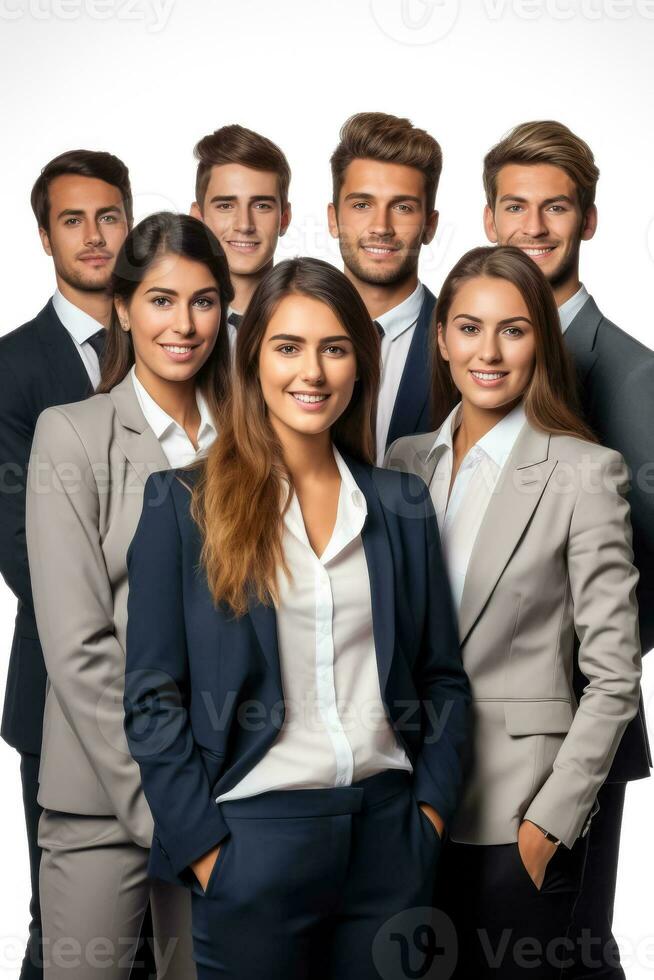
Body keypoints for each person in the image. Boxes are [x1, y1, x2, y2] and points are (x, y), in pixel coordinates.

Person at [123, 256, 471, 980]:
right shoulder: (180, 506)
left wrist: (428, 818)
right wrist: (209, 853)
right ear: (252, 362)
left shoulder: (402, 506)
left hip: (388, 838)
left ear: (358, 365)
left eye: (334, 348)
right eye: (288, 347)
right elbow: (152, 698)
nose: (311, 371)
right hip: (254, 842)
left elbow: (441, 678)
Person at [385, 245, 642, 980]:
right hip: (408, 813)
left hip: (517, 815)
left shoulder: (583, 472)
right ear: (441, 338)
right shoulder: (402, 464)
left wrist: (548, 823)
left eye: (514, 330)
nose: (488, 352)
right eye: (468, 328)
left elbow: (614, 677)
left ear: (542, 342)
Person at [25, 211, 233, 978]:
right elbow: (78, 646)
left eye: (204, 301)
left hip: (223, 791)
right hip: (105, 797)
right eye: (160, 300)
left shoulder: (252, 437)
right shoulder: (71, 434)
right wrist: (161, 807)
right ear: (122, 307)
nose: (184, 324)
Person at [483, 121, 653, 979]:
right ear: (489, 218)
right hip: (467, 746)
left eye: (557, 208)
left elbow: (643, 581)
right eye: (516, 206)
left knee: (572, 955)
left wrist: (561, 725)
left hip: (572, 736)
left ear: (588, 221)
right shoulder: (479, 349)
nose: (535, 226)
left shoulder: (629, 373)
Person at [0, 149, 153, 980]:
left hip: (186, 704)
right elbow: (27, 552)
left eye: (108, 217)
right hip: (61, 694)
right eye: (72, 220)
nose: (94, 237)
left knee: (177, 933)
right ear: (43, 235)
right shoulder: (13, 370)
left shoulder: (183, 346)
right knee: (67, 932)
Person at [328, 111, 441, 464]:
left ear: (430, 225)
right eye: (362, 204)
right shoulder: (282, 336)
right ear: (333, 218)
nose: (381, 227)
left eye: (403, 207)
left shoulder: (466, 344)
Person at [191, 123, 292, 350]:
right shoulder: (170, 325)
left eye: (262, 205)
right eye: (226, 205)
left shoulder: (314, 317)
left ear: (284, 218)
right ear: (198, 218)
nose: (245, 225)